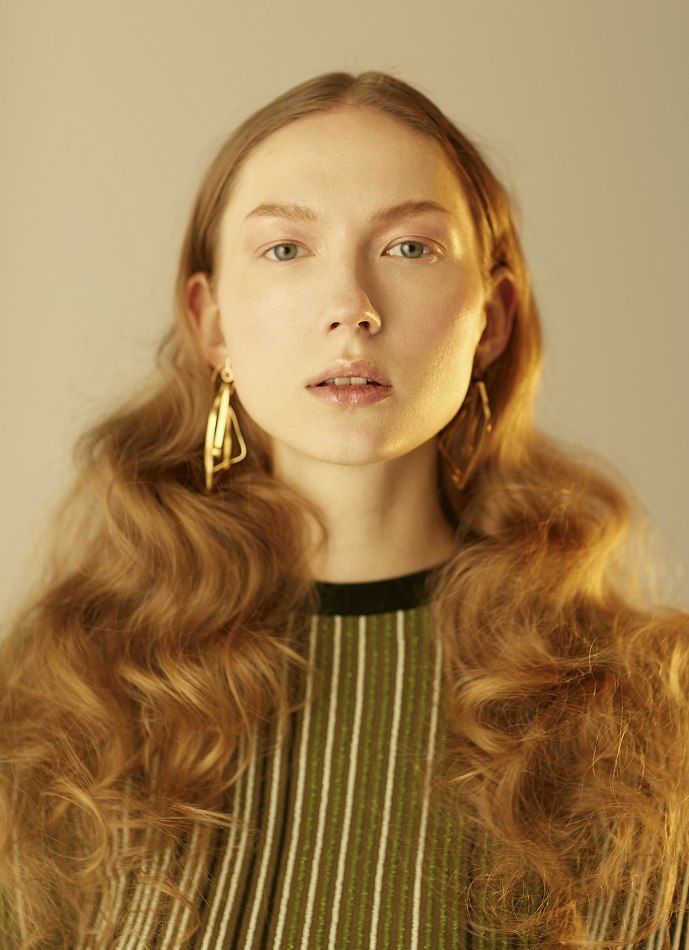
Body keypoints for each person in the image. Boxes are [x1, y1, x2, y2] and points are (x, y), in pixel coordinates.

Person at [1, 70, 688, 949]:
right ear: (211, 323)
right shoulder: (61, 700)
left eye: (409, 248)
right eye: (287, 249)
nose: (351, 310)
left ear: (491, 318)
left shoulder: (649, 711)